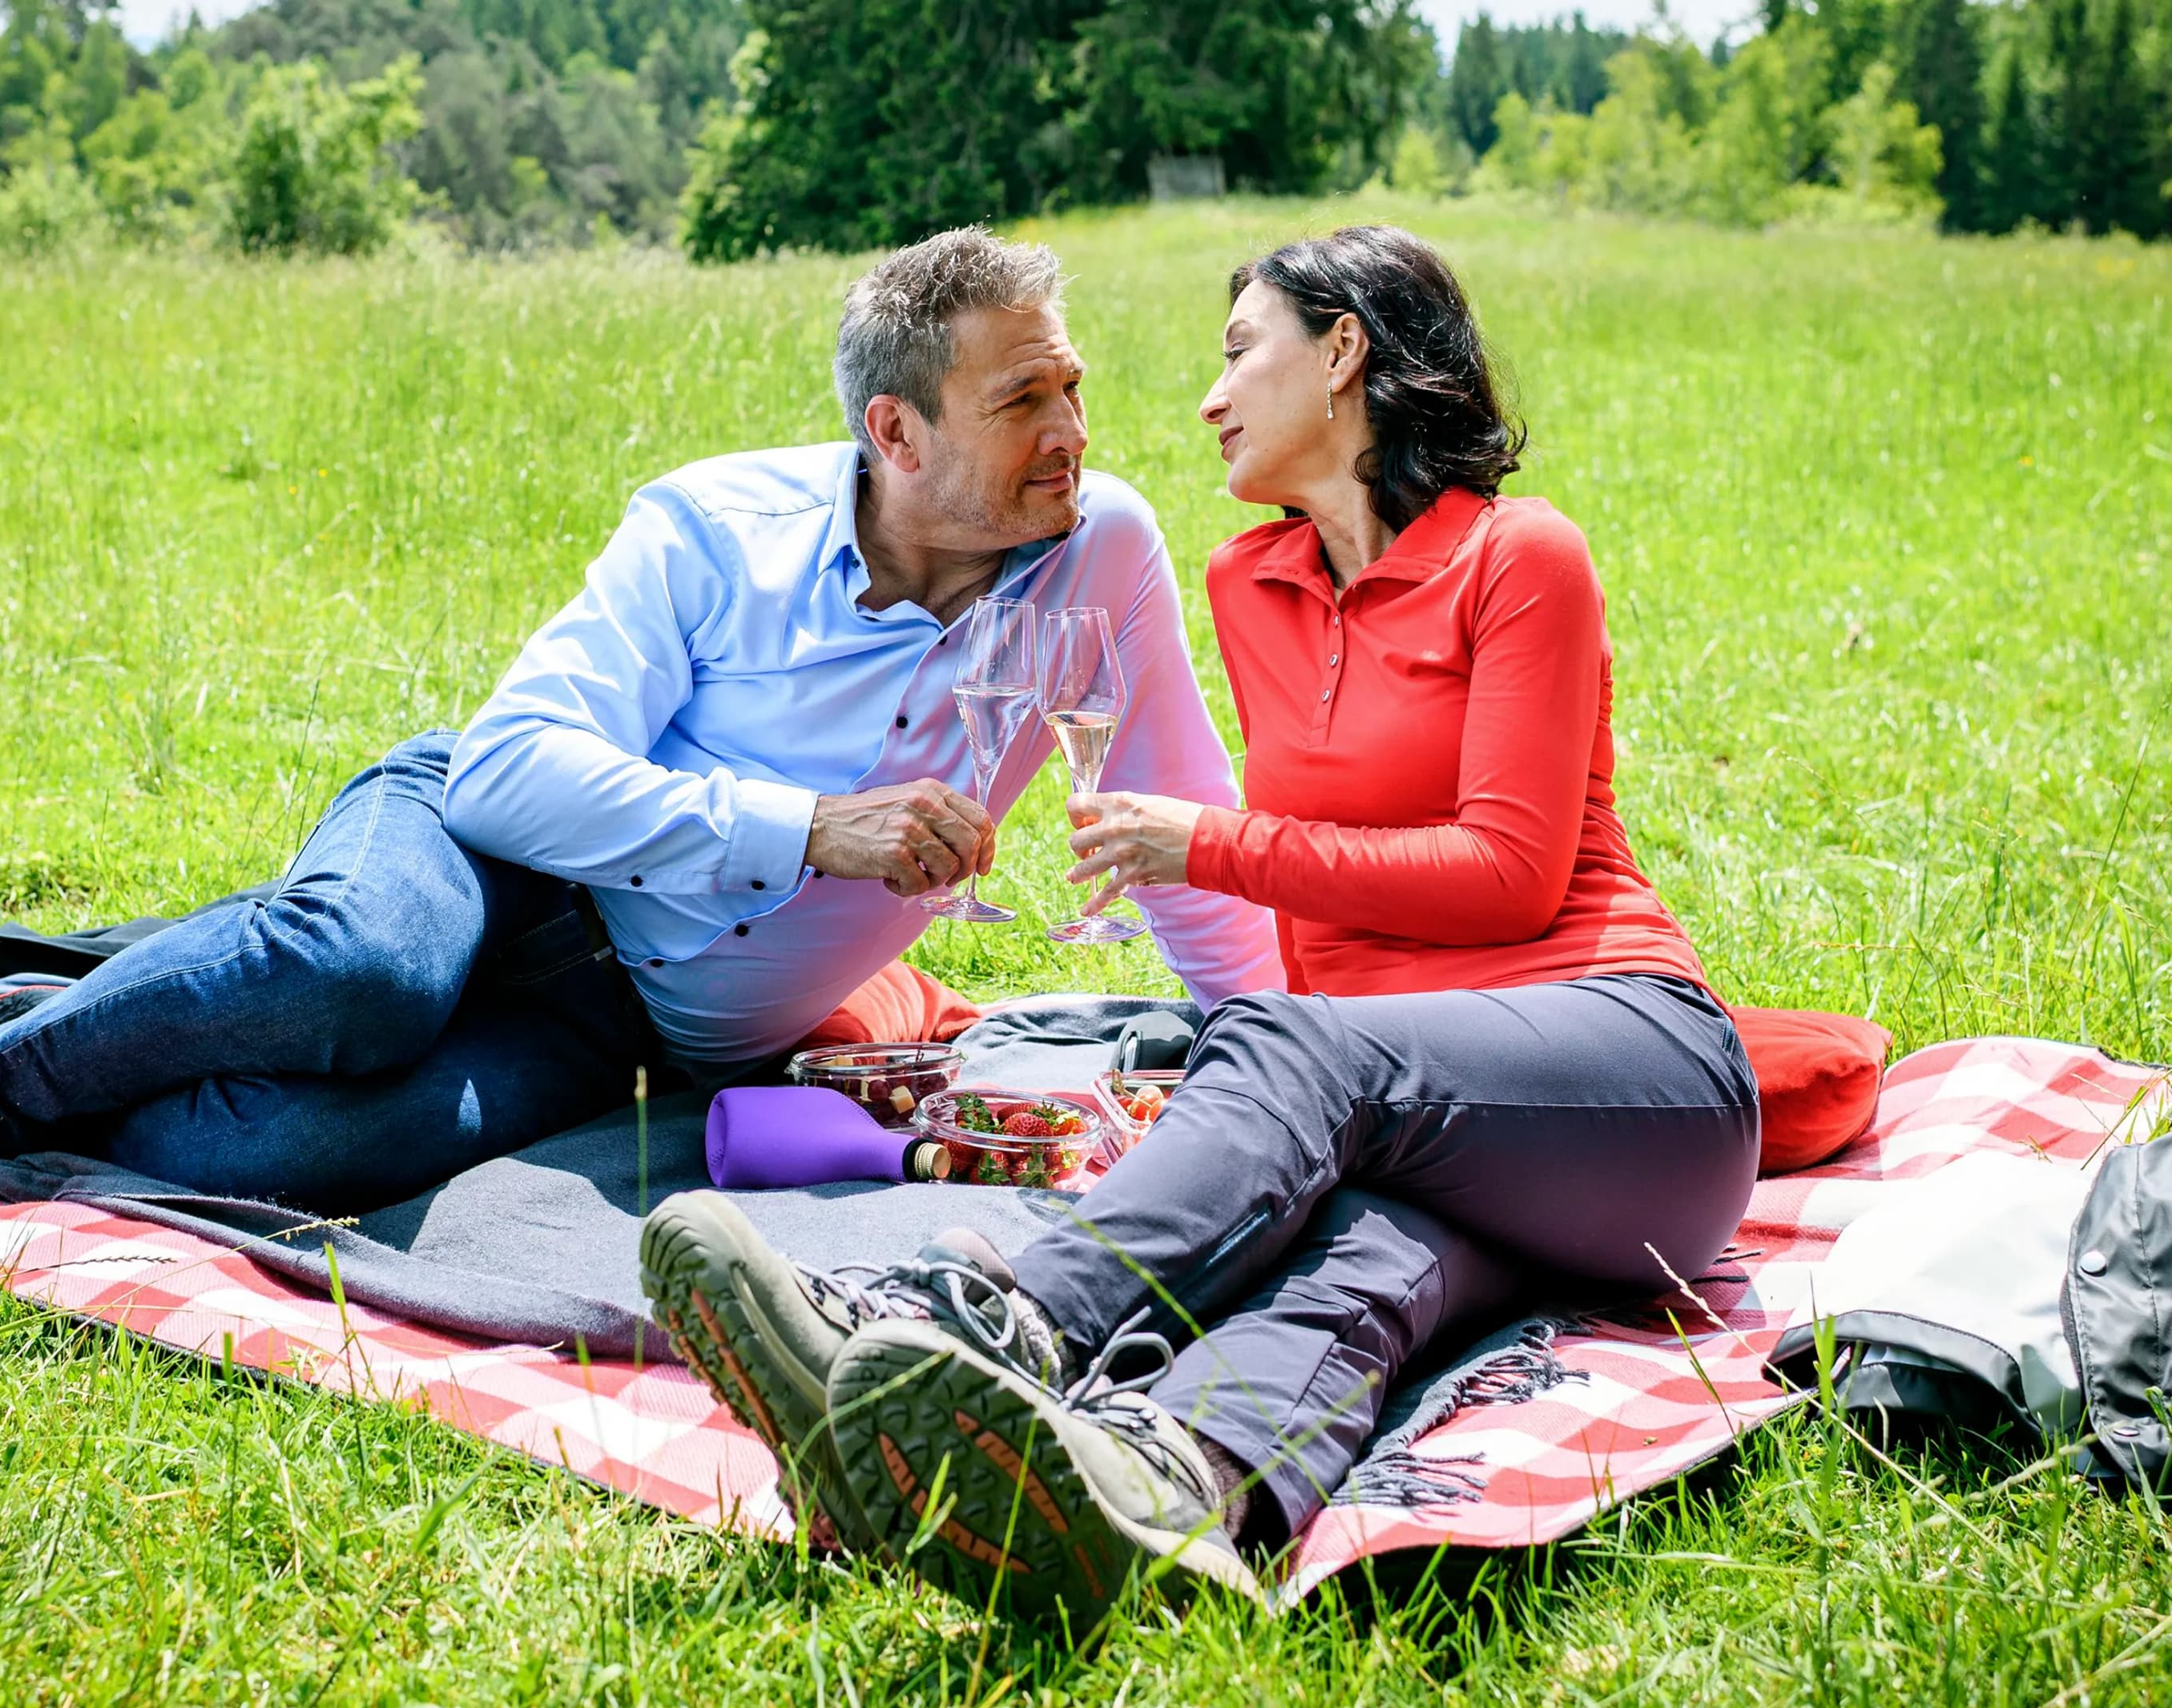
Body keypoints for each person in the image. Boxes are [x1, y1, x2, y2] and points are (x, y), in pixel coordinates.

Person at [639, 225, 1760, 1630]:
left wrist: (1214, 859)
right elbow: (1308, 929)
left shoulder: (1521, 559)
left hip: (1635, 1079)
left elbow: (1512, 875)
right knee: (1359, 1263)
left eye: (1241, 351)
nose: (1211, 398)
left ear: (1343, 351)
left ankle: (975, 1320)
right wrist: (1224, 1095)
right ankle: (1162, 1489)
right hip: (1437, 1136)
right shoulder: (1252, 585)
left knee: (1309, 1056)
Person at [0, 227, 1279, 1211]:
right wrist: (807, 830)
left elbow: (1185, 820)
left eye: (1073, 387)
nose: (1075, 431)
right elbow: (519, 769)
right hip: (484, 849)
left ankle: (32, 1025)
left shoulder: (1105, 556)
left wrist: (1274, 1062)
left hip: (626, 1028)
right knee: (361, 973)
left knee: (283, 1157)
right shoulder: (712, 529)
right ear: (896, 429)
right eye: (1025, 402)